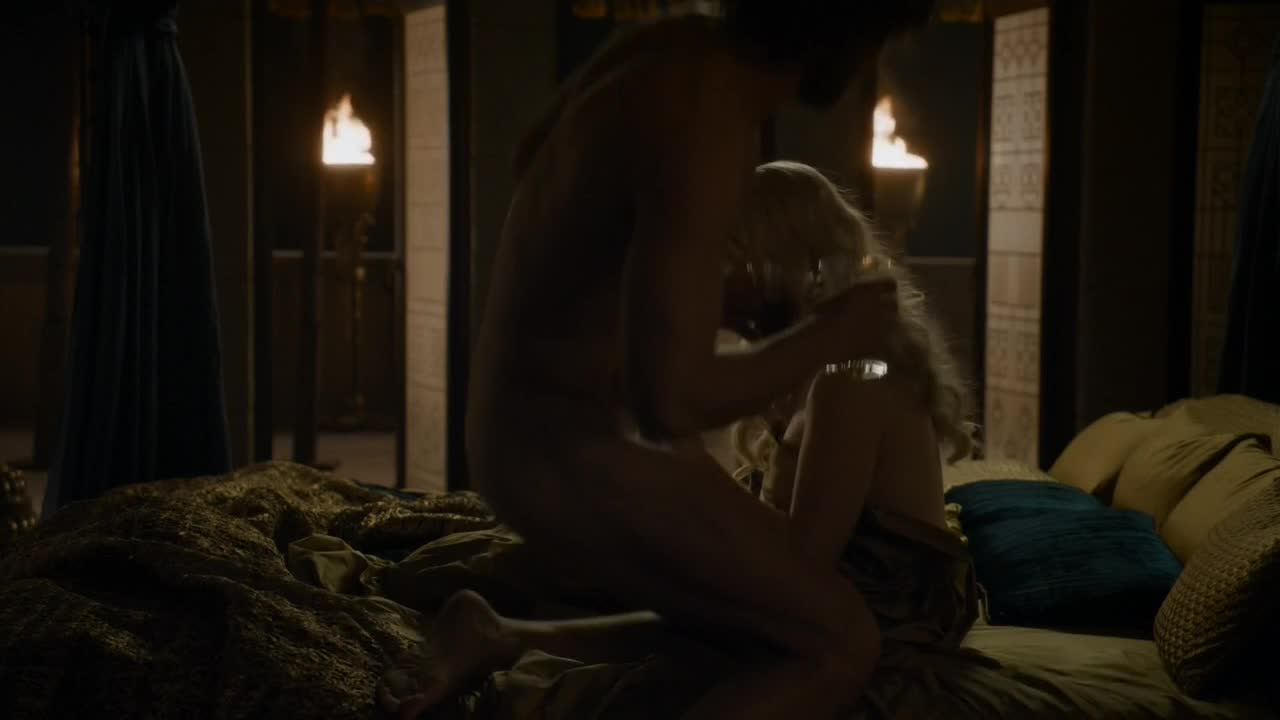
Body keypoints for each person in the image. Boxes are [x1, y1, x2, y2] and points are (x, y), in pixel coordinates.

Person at [381, 3, 937, 718]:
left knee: (749, 610)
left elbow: (534, 161)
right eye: (878, 39)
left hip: (514, 424)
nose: (870, 68)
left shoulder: (665, 49)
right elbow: (668, 403)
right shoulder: (709, 112)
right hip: (577, 448)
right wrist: (836, 333)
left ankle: (499, 634)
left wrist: (674, 294)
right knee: (838, 642)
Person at [725, 162, 979, 663]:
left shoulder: (853, 377)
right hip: (837, 602)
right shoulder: (808, 368)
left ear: (777, 264)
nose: (719, 280)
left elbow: (806, 561)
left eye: (732, 259)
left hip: (889, 614)